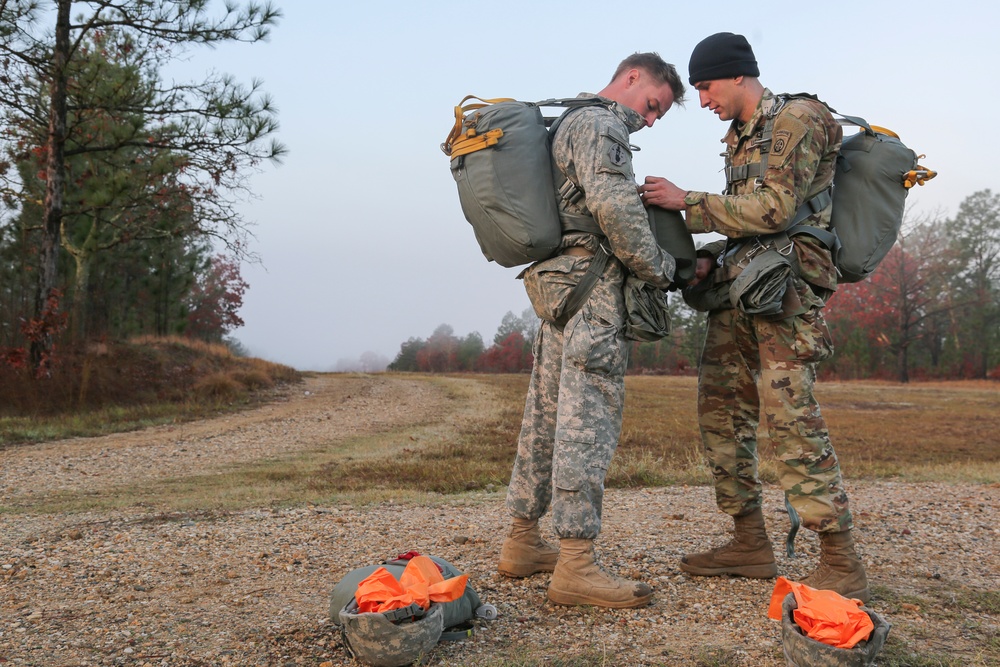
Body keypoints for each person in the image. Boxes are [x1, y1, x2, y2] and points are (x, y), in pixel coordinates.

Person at [638, 32, 870, 602]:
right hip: (743, 285)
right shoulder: (740, 135)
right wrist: (711, 254)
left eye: (706, 86)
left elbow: (775, 209)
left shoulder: (798, 118)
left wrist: (685, 202)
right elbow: (749, 219)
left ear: (738, 75)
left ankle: (840, 558)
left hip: (787, 290)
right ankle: (749, 542)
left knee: (791, 417)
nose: (704, 98)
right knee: (721, 409)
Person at [498, 53, 686, 609]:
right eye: (654, 104)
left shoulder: (569, 121)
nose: (651, 120)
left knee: (546, 417)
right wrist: (661, 269)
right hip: (595, 293)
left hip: (560, 289)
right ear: (632, 78)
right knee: (587, 421)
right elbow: (614, 208)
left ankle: (522, 541)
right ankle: (575, 564)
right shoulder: (602, 125)